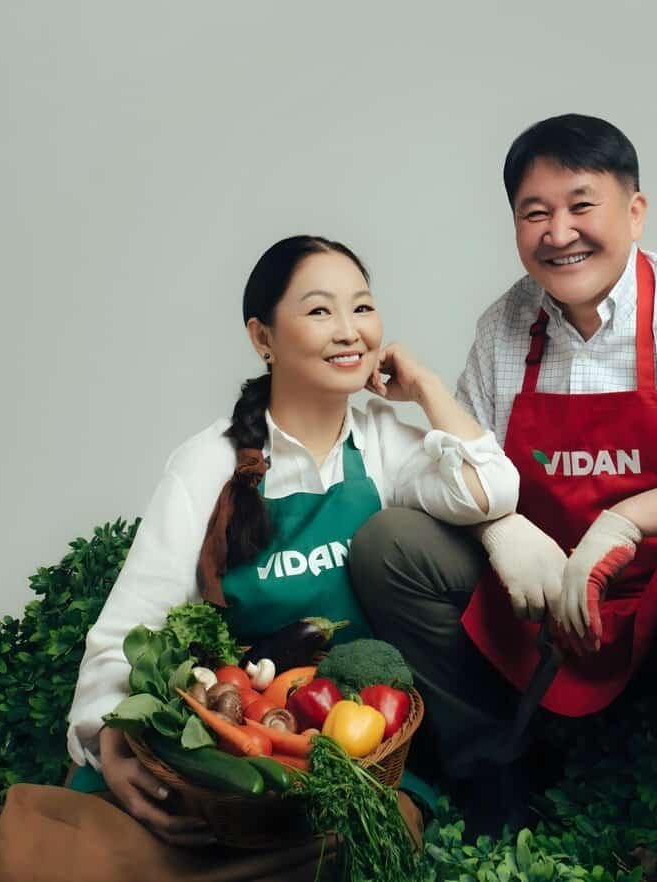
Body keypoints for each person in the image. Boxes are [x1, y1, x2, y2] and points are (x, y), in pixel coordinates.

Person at [349, 115, 657, 881]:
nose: (559, 232)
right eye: (535, 213)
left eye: (582, 205)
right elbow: (465, 472)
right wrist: (505, 530)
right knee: (390, 543)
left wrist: (627, 519)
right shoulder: (506, 327)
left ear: (634, 211)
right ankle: (492, 763)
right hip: (547, 610)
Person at [66, 234, 520, 845]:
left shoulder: (384, 444)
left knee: (345, 849)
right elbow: (129, 629)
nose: (349, 331)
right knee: (112, 845)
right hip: (236, 740)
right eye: (318, 311)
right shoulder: (209, 463)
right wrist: (108, 736)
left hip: (357, 750)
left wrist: (428, 391)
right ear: (262, 339)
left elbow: (490, 490)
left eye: (362, 308)